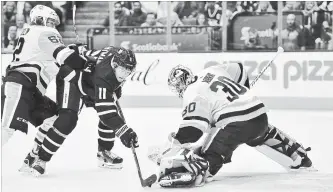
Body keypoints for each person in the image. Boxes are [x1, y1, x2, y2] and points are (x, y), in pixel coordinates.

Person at [154, 63, 314, 188]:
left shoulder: (191, 92)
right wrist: (241, 94)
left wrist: (174, 146)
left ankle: (199, 170)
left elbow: (193, 129)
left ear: (179, 86)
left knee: (209, 152)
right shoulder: (211, 71)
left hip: (234, 124)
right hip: (260, 114)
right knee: (261, 133)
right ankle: (298, 154)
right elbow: (240, 69)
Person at [22, 46, 139, 177]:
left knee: (112, 112)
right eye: (123, 71)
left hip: (90, 83)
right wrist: (124, 131)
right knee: (67, 120)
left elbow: (87, 51)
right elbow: (106, 113)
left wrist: (78, 49)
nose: (125, 75)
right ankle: (41, 158)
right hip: (71, 79)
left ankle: (104, 152)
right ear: (114, 64)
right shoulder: (104, 76)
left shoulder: (115, 55)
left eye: (129, 71)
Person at [1, 5, 87, 147]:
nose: (54, 26)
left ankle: (33, 158)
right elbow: (67, 58)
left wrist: (74, 51)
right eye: (51, 21)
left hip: (29, 91)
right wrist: (84, 61)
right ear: (41, 20)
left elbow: (54, 58)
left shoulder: (32, 32)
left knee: (53, 119)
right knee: (6, 129)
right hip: (20, 86)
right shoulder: (45, 31)